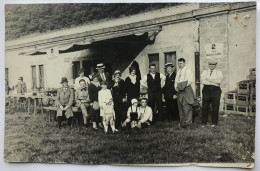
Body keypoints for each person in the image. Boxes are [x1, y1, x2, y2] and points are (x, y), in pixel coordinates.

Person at [201, 58, 223, 127]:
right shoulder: (204, 72)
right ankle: (203, 123)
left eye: (213, 65)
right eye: (210, 64)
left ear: (215, 65)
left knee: (215, 106)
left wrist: (208, 79)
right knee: (205, 106)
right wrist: (214, 81)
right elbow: (203, 81)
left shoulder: (219, 72)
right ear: (208, 65)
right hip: (206, 90)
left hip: (216, 91)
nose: (211, 66)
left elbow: (219, 81)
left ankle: (214, 123)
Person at [174, 58, 195, 128]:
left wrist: (181, 86)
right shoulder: (178, 72)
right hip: (179, 91)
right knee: (180, 107)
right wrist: (176, 88)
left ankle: (188, 124)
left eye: (181, 63)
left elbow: (189, 81)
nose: (179, 65)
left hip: (186, 90)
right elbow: (176, 81)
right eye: (178, 63)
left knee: (187, 107)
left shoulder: (188, 71)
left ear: (184, 63)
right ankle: (182, 123)